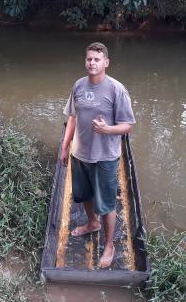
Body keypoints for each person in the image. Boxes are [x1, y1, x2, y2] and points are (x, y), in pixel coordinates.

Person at [60, 42, 135, 268]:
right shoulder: (78, 85)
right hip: (80, 154)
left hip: (105, 158)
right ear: (85, 61)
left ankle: (109, 245)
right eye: (89, 59)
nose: (92, 63)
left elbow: (128, 125)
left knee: (107, 203)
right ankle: (93, 223)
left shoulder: (116, 89)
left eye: (97, 59)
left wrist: (107, 130)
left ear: (106, 63)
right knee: (83, 194)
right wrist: (65, 146)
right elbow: (72, 117)